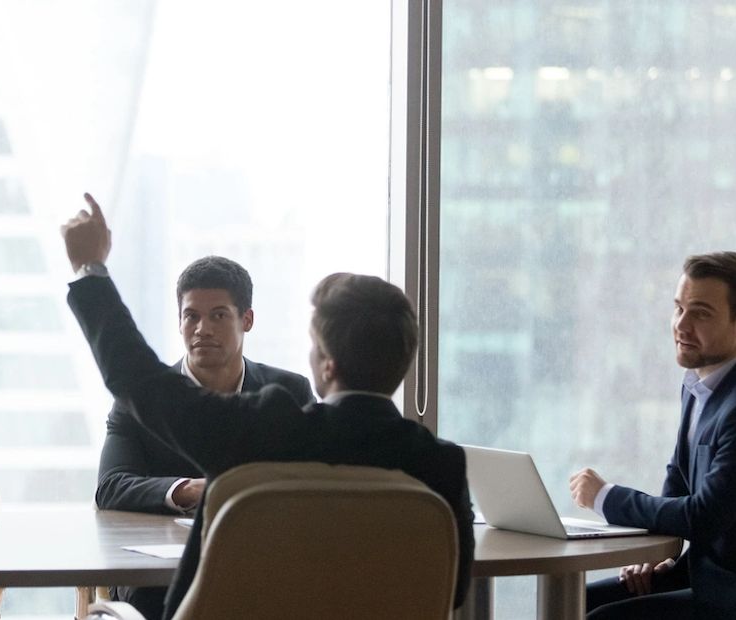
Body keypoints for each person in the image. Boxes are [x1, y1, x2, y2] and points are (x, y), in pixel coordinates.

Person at [61, 194, 475, 619]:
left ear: (327, 365)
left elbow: (140, 380)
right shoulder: (443, 464)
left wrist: (90, 270)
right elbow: (452, 587)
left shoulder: (265, 429)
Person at [95, 255, 314, 618]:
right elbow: (111, 486)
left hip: (264, 561)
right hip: (158, 578)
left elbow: (311, 482)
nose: (202, 329)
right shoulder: (140, 399)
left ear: (247, 319)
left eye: (218, 315)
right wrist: (189, 490)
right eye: (191, 316)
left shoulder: (288, 392)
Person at [570, 251, 736, 619]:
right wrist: (656, 552)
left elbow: (704, 516)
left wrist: (607, 498)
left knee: (600, 618)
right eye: (679, 308)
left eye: (701, 313)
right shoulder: (699, 380)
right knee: (575, 602)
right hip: (701, 574)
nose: (681, 325)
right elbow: (679, 473)